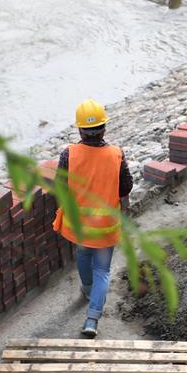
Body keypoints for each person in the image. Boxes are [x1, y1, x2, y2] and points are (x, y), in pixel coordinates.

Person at [53, 99, 133, 338]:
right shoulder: (116, 154)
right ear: (104, 128)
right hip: (105, 227)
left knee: (82, 254)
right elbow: (126, 186)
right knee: (103, 272)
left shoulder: (69, 154)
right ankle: (92, 319)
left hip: (78, 225)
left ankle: (87, 289)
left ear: (80, 130)